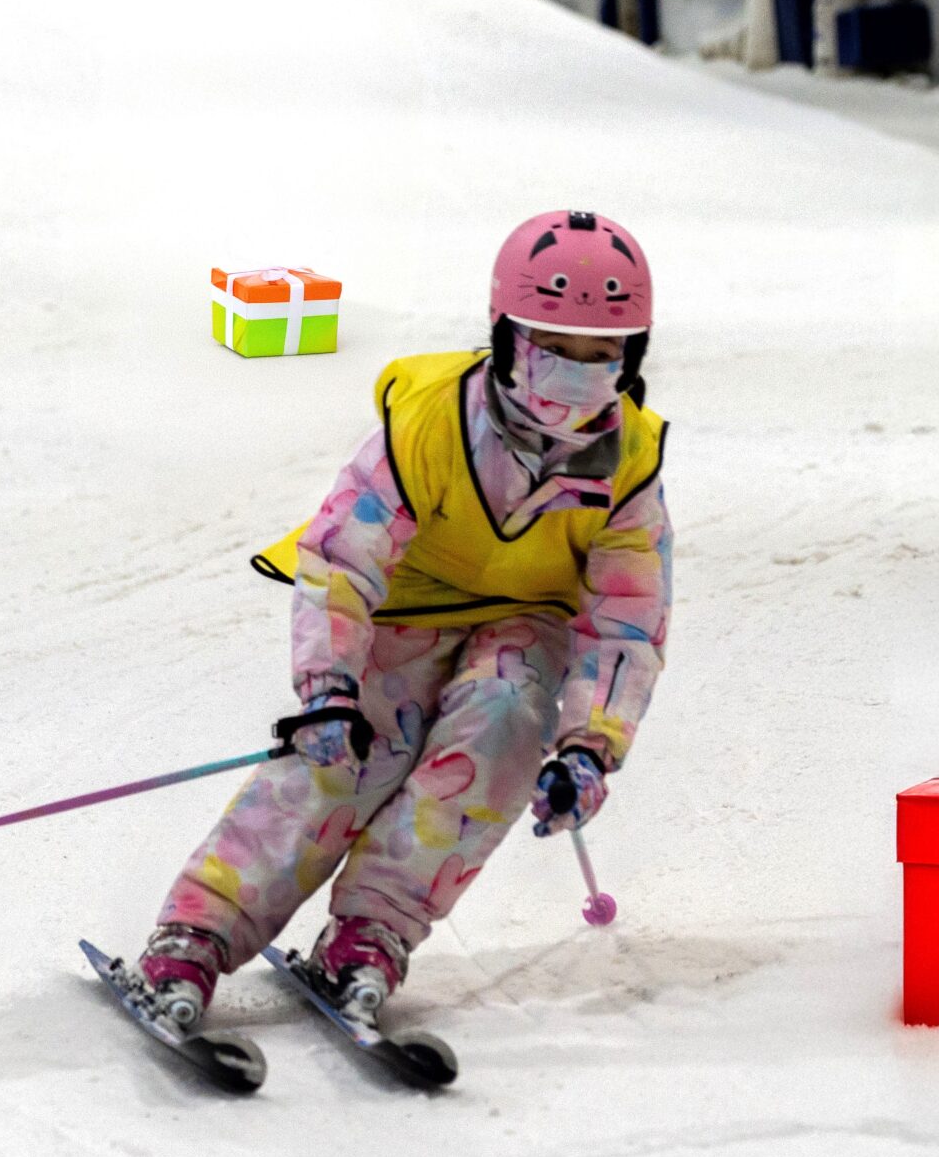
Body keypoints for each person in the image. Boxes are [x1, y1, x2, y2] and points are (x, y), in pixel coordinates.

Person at [139, 210, 672, 1027]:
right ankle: (200, 928)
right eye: (554, 348)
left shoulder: (629, 461)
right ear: (506, 335)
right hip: (408, 603)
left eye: (602, 356)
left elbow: (627, 616)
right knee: (360, 742)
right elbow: (345, 556)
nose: (577, 373)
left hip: (524, 622)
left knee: (502, 721)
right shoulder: (431, 418)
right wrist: (328, 687)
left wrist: (590, 748)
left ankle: (373, 932)